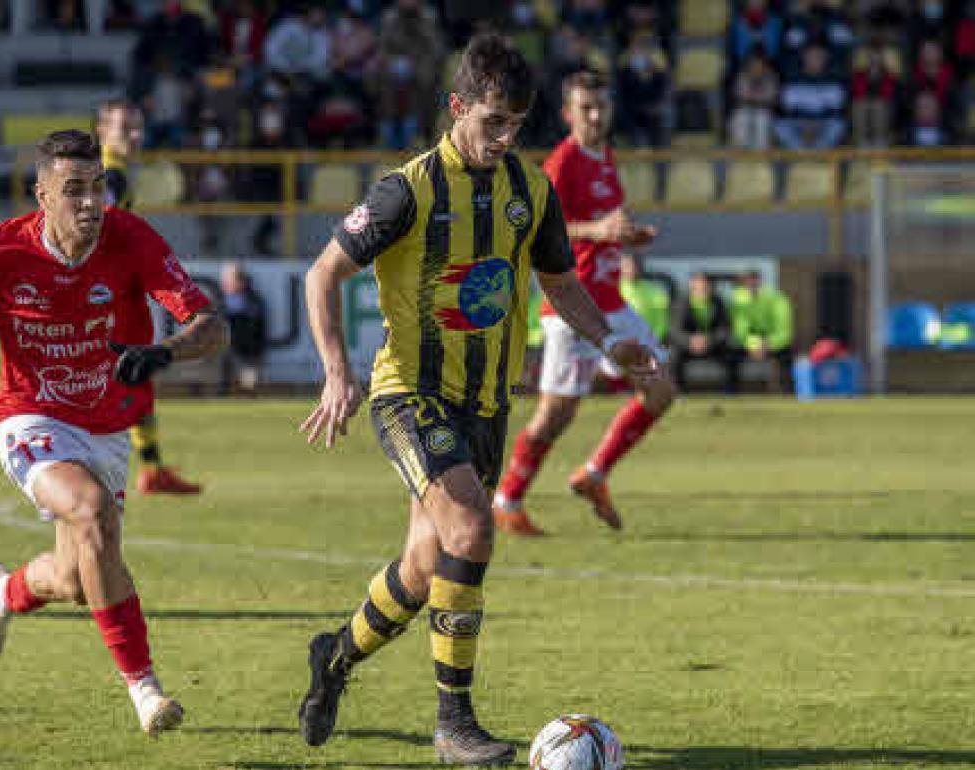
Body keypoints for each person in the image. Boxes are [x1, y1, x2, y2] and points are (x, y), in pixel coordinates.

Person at [297, 35, 654, 766]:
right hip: (410, 395)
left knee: (425, 567)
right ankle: (453, 724)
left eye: (515, 126)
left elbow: (560, 282)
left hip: (487, 405)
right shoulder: (408, 189)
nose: (503, 139)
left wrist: (609, 339)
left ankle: (335, 656)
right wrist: (338, 372)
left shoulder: (531, 191)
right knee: (472, 528)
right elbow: (322, 275)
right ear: (458, 107)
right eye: (491, 122)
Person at [0, 129, 228, 733]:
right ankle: (145, 690)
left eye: (99, 188)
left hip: (108, 429)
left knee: (76, 577)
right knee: (91, 516)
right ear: (42, 195)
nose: (91, 203)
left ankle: (4, 590)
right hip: (29, 418)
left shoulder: (132, 239)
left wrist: (165, 351)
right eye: (74, 191)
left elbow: (209, 323)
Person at [0, 100, 204, 497]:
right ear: (101, 130)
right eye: (124, 127)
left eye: (137, 127)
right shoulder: (110, 177)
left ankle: (153, 467)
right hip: (95, 295)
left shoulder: (117, 173)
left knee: (128, 376)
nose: (134, 135)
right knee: (84, 378)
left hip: (108, 291)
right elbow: (88, 235)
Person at [491, 70, 675, 537]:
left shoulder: (606, 157)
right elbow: (539, 228)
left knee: (659, 390)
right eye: (585, 108)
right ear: (567, 113)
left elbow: (599, 225)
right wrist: (598, 230)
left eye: (601, 106)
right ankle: (507, 499)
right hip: (574, 308)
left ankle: (594, 475)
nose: (595, 115)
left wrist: (627, 236)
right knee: (556, 415)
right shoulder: (563, 162)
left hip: (612, 301)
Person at [729, 270, 794, 392]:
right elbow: (739, 330)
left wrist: (767, 343)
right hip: (749, 343)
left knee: (786, 356)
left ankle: (788, 393)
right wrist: (753, 345)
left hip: (772, 342)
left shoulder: (777, 298)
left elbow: (785, 331)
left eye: (753, 282)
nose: (750, 286)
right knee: (730, 353)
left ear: (759, 282)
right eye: (746, 283)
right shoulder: (739, 300)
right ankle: (733, 393)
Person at [671, 271, 735, 393]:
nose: (703, 290)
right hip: (688, 346)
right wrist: (691, 340)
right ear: (692, 287)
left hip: (711, 345)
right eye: (699, 287)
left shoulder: (718, 302)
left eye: (706, 287)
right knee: (673, 356)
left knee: (731, 355)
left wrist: (709, 340)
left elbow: (725, 329)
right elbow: (675, 331)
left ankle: (730, 392)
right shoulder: (681, 303)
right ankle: (679, 393)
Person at [219, 261, 268, 394]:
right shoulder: (220, 300)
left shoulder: (253, 300)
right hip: (227, 349)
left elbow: (256, 328)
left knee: (250, 382)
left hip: (248, 350)